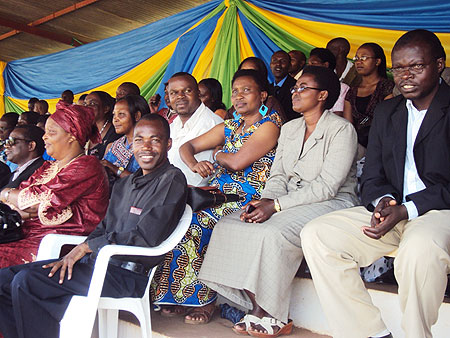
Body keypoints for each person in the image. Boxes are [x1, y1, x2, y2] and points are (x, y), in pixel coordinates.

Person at [301, 29, 449, 338]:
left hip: (438, 212)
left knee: (418, 250)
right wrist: (382, 200)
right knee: (318, 234)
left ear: (439, 64)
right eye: (399, 68)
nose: (405, 76)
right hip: (393, 213)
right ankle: (370, 334)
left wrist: (408, 209)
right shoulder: (388, 111)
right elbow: (372, 175)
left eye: (416, 67)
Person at [199, 66, 358, 336]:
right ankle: (256, 306)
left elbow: (327, 187)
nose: (294, 92)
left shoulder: (342, 130)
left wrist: (276, 207)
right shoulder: (291, 128)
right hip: (287, 199)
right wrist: (266, 201)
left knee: (272, 232)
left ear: (322, 95)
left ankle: (271, 314)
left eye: (303, 87)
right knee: (232, 223)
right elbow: (279, 174)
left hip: (331, 201)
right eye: (294, 87)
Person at [0, 114, 188, 338]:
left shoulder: (171, 179)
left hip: (126, 275)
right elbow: (104, 226)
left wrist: (87, 247)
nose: (146, 147)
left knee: (27, 282)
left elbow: (146, 235)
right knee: (4, 280)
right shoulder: (126, 183)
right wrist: (84, 248)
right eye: (139, 140)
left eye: (155, 140)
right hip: (97, 264)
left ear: (168, 144)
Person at [152, 69, 282, 324]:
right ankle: (180, 297)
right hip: (219, 193)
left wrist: (216, 155)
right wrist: (193, 165)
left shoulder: (269, 125)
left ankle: (206, 301)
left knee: (198, 223)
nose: (239, 96)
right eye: (235, 91)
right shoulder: (231, 125)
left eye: (247, 90)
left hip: (249, 197)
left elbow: (236, 162)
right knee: (177, 217)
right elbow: (185, 147)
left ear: (263, 95)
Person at [0, 101, 109, 268]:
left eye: (51, 132)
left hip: (55, 246)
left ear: (72, 135)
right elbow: (22, 202)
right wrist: (26, 207)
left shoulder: (86, 166)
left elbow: (35, 200)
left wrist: (7, 193)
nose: (44, 136)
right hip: (26, 235)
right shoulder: (48, 167)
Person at [166, 72, 223, 187]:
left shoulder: (212, 124)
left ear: (198, 93)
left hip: (191, 197)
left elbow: (198, 180)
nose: (180, 96)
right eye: (174, 93)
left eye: (187, 91)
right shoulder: (173, 124)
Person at [343, 43, 394, 149]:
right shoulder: (351, 91)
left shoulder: (387, 87)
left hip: (380, 144)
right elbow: (348, 125)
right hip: (355, 145)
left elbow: (387, 121)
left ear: (377, 61)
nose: (359, 62)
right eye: (356, 58)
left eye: (364, 57)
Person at [101, 94, 150, 179]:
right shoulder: (115, 145)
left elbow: (143, 181)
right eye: (114, 115)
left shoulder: (148, 147)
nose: (115, 119)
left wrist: (114, 168)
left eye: (121, 114)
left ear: (136, 116)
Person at [226, 57, 285, 121]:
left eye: (252, 72)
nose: (239, 96)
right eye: (242, 72)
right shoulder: (234, 109)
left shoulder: (271, 104)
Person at [308, 47, 350, 116]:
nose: (309, 67)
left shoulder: (342, 88)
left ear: (325, 65)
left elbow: (338, 115)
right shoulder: (306, 87)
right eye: (308, 64)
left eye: (313, 63)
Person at [3, 125, 45, 189]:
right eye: (7, 141)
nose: (6, 146)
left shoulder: (41, 172)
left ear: (31, 146)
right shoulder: (14, 174)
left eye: (12, 141)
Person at [85, 91, 120, 159]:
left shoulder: (115, 133)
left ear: (106, 109)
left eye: (92, 103)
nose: (87, 107)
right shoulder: (85, 130)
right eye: (85, 104)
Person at [269, 51, 297, 121]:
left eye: (283, 61)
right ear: (270, 65)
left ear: (290, 66)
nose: (278, 64)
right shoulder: (267, 88)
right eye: (275, 60)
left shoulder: (296, 87)